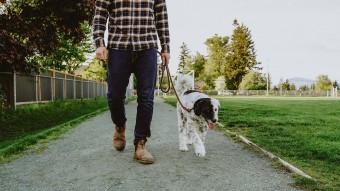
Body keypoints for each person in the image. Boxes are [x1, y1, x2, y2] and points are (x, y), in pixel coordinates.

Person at [92, 0, 170, 164]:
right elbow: (100, 13)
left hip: (147, 46)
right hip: (119, 46)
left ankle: (140, 144)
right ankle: (120, 125)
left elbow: (161, 17)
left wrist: (165, 47)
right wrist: (99, 42)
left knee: (146, 98)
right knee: (114, 95)